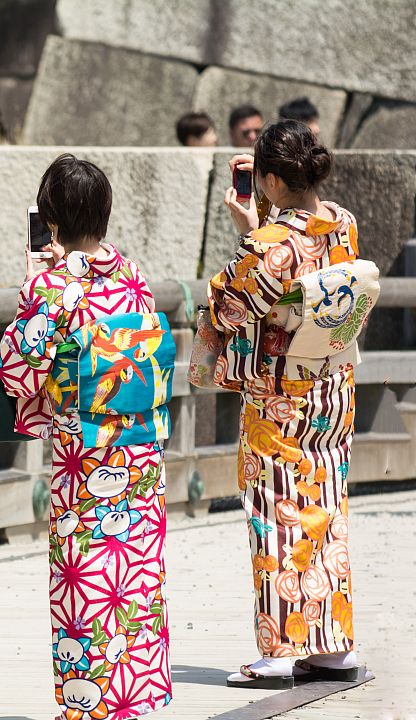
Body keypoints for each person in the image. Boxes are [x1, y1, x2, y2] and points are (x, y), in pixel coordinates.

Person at [0, 154, 172, 719]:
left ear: (49, 218)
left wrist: (31, 289)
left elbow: (17, 369)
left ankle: (88, 705)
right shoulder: (132, 273)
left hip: (85, 453)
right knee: (136, 575)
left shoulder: (49, 284)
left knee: (85, 574)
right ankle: (137, 697)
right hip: (139, 447)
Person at [210, 120, 362, 688]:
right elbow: (303, 267)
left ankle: (277, 653)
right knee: (325, 512)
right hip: (331, 387)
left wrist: (251, 236)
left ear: (271, 180)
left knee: (275, 516)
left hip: (279, 399)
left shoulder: (270, 245)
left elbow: (228, 306)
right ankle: (333, 646)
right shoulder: (342, 224)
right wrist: (260, 228)